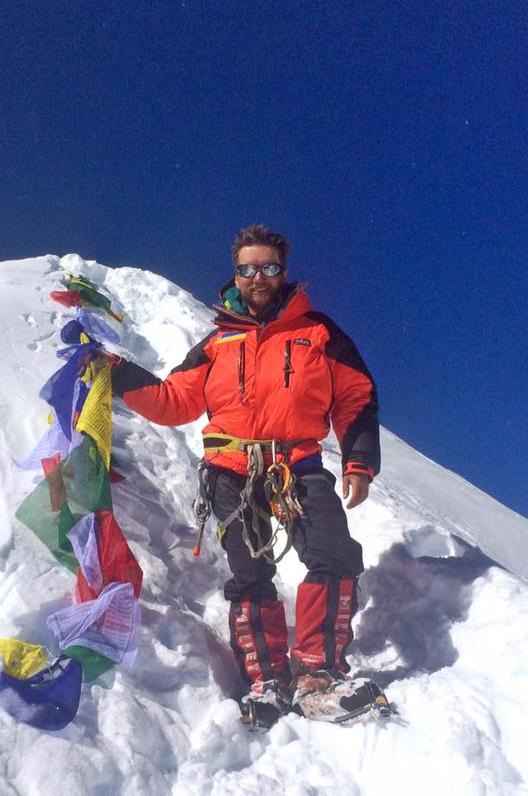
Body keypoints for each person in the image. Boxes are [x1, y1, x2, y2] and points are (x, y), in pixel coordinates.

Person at [110, 224, 381, 726]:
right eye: (249, 268)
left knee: (333, 552)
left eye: (270, 268)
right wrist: (116, 372)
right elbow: (174, 403)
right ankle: (267, 679)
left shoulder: (319, 332)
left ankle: (319, 671)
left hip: (295, 462)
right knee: (250, 573)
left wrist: (359, 461)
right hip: (230, 470)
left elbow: (356, 397)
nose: (259, 277)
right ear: (236, 273)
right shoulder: (217, 343)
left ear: (284, 272)